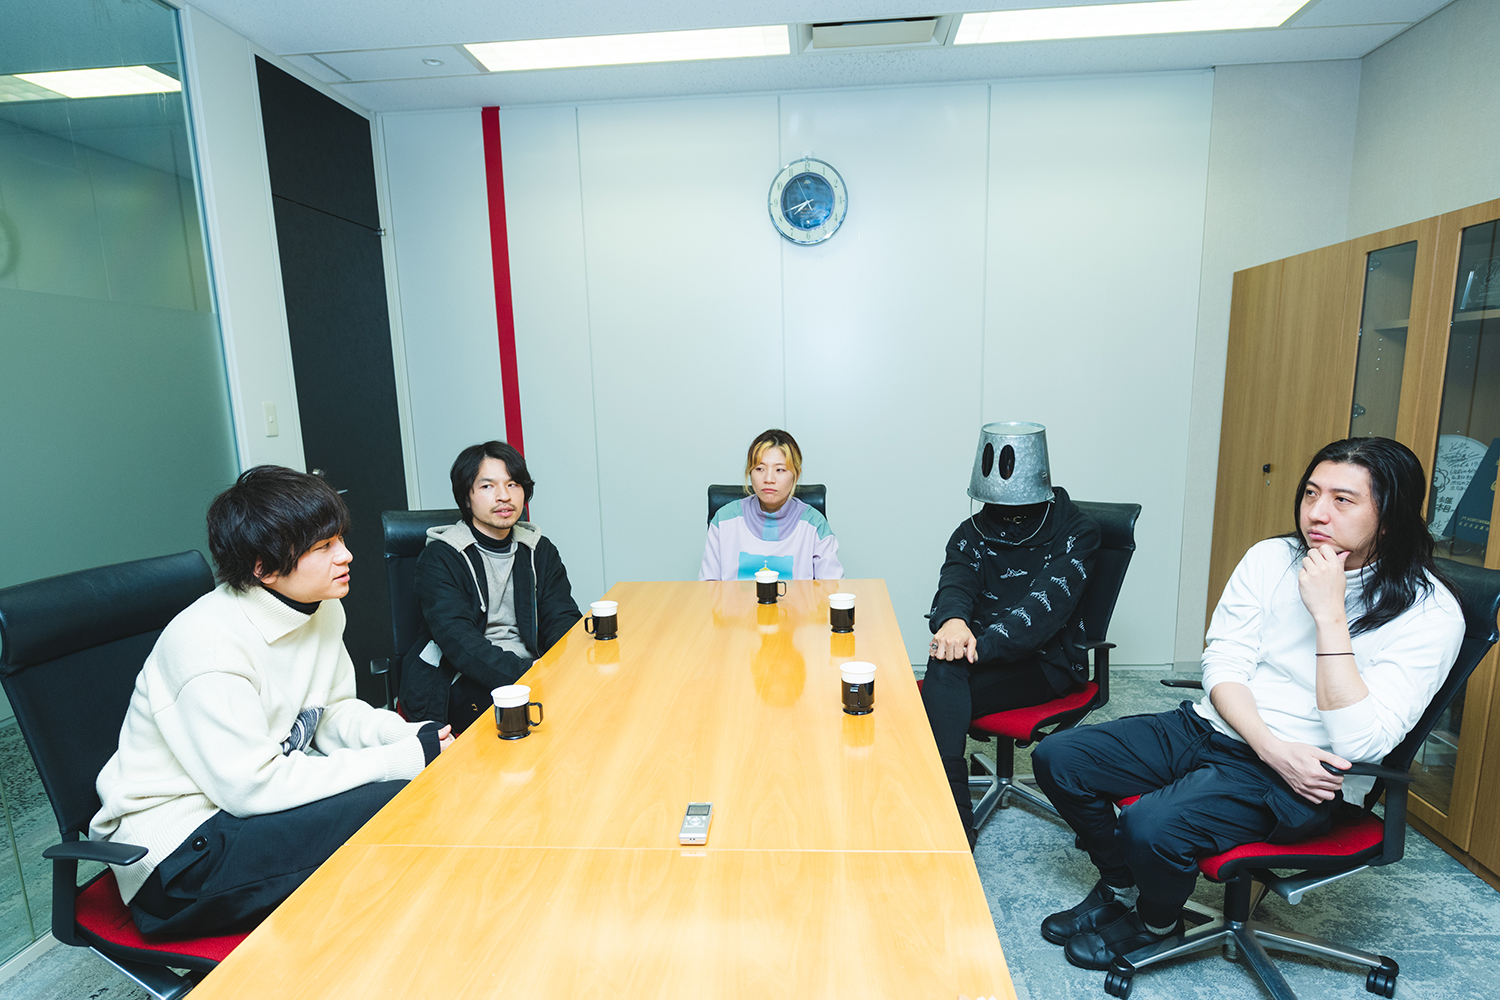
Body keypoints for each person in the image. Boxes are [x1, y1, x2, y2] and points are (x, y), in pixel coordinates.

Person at [1031, 437, 1465, 971]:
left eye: (1342, 500)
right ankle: (1121, 885)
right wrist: (1268, 744)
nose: (1316, 513)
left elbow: (1362, 742)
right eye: (1311, 493)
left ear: (1391, 518)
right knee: (1060, 758)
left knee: (1153, 825)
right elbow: (1224, 663)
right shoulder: (1271, 558)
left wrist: (1330, 615)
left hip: (1305, 775)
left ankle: (1155, 923)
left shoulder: (1431, 613)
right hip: (1221, 728)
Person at [90, 466, 453, 938]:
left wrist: (406, 737)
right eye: (323, 547)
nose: (345, 555)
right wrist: (394, 761)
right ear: (262, 567)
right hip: (178, 857)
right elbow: (252, 786)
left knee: (412, 794)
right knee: (396, 804)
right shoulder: (208, 645)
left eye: (340, 538)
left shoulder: (322, 608)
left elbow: (330, 713)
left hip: (242, 812)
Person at [919, 422, 1100, 847]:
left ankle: (949, 824)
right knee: (943, 670)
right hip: (978, 654)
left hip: (1046, 663)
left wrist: (971, 646)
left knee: (935, 695)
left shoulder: (1078, 531)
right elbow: (955, 582)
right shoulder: (971, 533)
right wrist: (953, 622)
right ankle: (954, 820)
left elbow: (1041, 611)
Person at [400, 440, 580, 733]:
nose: (504, 496)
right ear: (466, 497)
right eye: (487, 486)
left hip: (531, 668)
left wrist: (565, 665)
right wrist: (531, 677)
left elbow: (561, 618)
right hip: (459, 676)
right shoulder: (441, 557)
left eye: (513, 484)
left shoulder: (539, 550)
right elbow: (460, 643)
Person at [700, 428, 842, 581]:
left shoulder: (815, 524)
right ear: (749, 472)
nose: (769, 479)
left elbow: (831, 587)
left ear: (796, 475)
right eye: (760, 469)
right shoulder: (723, 520)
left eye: (780, 470)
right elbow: (708, 588)